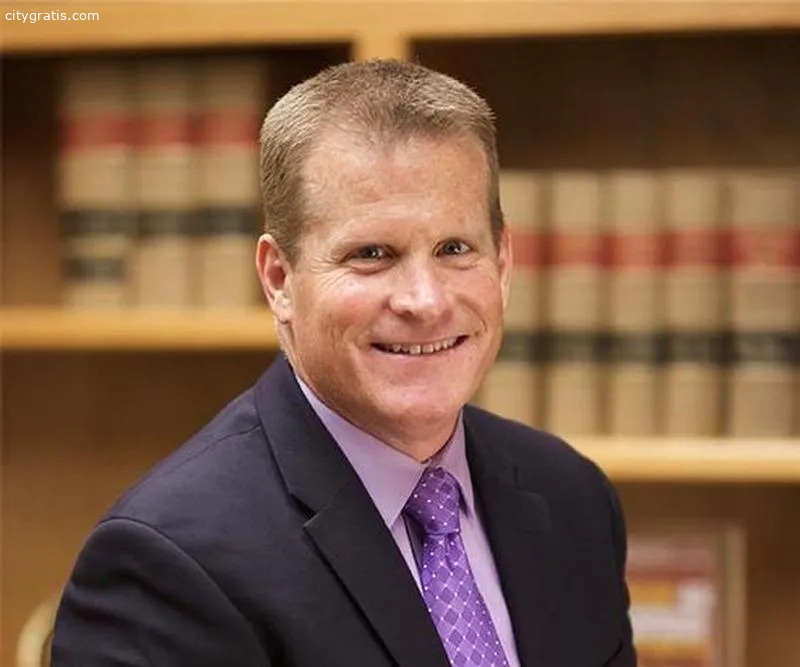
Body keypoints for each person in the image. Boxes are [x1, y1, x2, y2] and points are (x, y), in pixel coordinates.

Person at [51, 59, 636, 666]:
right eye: (373, 254)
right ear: (279, 279)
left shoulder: (573, 500)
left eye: (454, 248)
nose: (425, 301)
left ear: (504, 263)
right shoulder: (165, 564)